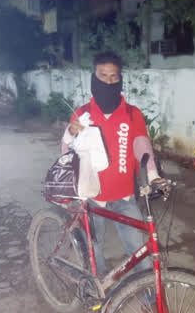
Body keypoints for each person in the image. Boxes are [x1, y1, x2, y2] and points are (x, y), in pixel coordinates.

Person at [62, 51, 162, 275]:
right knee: (93, 250)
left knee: (139, 252)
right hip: (91, 198)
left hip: (124, 197)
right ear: (93, 78)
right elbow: (67, 151)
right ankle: (99, 293)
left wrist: (153, 176)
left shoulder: (132, 114)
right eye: (102, 75)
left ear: (120, 80)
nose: (108, 81)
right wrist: (70, 133)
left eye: (113, 77)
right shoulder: (82, 114)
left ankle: (150, 303)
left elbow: (142, 146)